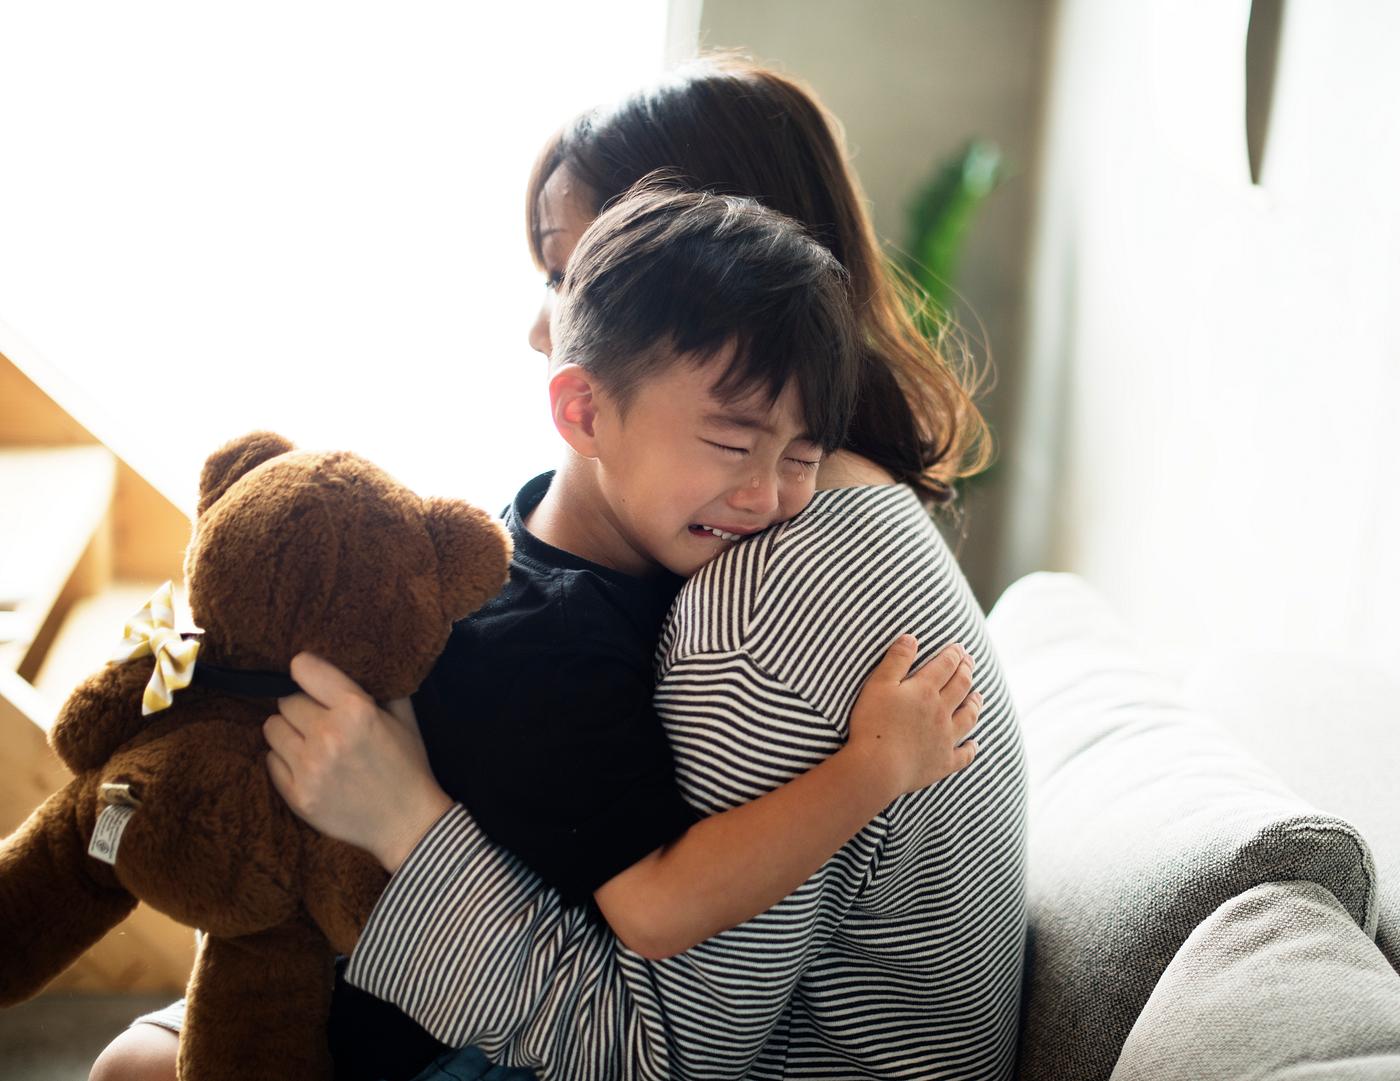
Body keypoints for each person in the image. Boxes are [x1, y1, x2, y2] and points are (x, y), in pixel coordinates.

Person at [89, 179, 982, 1080]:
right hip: (433, 1043)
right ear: (583, 412)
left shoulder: (569, 542)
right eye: (732, 443)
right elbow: (658, 907)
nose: (770, 498)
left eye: (802, 457)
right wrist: (874, 769)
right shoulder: (547, 654)